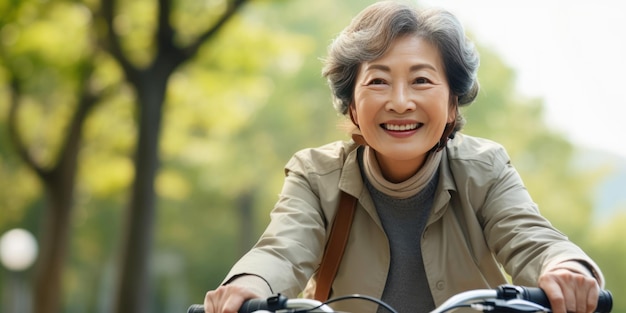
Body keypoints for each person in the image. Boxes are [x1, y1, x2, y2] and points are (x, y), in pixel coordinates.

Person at [203, 1, 604, 312]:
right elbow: (282, 249)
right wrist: (248, 285)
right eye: (378, 81)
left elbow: (530, 238)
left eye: (421, 80)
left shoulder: (484, 168)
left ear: (452, 104)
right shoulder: (316, 174)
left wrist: (566, 270)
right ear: (352, 107)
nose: (400, 102)